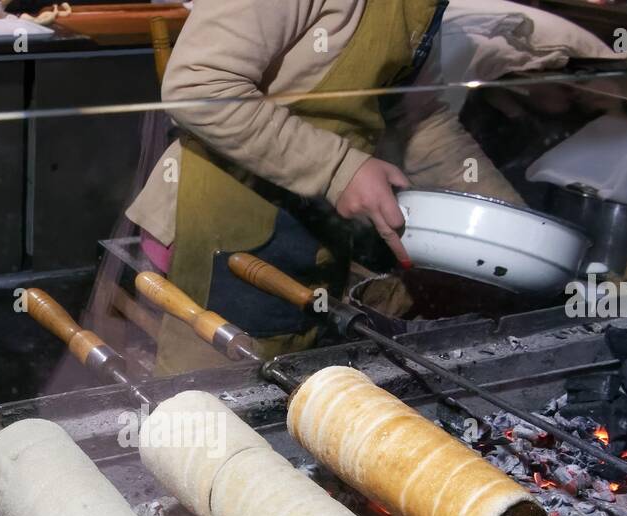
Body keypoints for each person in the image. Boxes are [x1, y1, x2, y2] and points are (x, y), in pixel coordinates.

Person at [126, 0, 521, 373]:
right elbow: (199, 87)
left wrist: (514, 226)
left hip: (320, 224)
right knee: (217, 405)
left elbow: (420, 120)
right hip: (226, 218)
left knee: (295, 392)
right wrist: (339, 169)